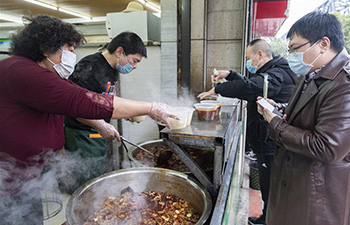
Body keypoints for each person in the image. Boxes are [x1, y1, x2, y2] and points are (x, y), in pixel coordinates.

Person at [0, 15, 175, 225]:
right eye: (69, 49)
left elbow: (80, 96)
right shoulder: (21, 71)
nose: (73, 55)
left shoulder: (42, 73)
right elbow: (85, 100)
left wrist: (106, 120)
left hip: (26, 173)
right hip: (8, 178)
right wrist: (151, 107)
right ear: (47, 48)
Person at [257, 12, 350, 225]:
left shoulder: (344, 85)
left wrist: (275, 123)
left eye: (295, 48)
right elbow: (304, 111)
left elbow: (327, 148)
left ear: (323, 44)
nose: (292, 56)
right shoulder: (312, 74)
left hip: (316, 196)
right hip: (293, 180)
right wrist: (278, 108)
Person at [198, 39, 297, 225]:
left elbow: (252, 87)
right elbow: (249, 82)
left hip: (272, 142)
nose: (247, 62)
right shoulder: (270, 71)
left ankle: (268, 220)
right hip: (266, 139)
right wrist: (230, 74)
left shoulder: (277, 73)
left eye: (248, 58)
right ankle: (266, 217)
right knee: (268, 184)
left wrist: (218, 89)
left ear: (260, 55)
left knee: (270, 185)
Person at [62, 32, 147, 194]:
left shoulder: (112, 68)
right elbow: (72, 105)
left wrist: (123, 113)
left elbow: (103, 100)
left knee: (97, 176)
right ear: (120, 52)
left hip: (95, 134)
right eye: (134, 61)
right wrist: (100, 124)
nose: (135, 66)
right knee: (86, 181)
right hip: (83, 134)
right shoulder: (90, 67)